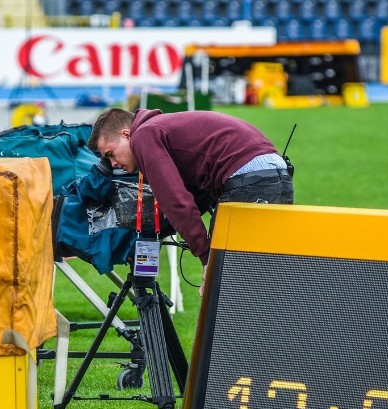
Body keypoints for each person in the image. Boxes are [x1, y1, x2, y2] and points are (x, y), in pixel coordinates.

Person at [88, 108, 294, 294]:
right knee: (264, 282)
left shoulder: (143, 136)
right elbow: (195, 196)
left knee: (226, 289)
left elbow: (176, 201)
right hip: (275, 174)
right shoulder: (163, 126)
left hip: (249, 180)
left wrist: (207, 258)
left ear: (126, 134)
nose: (113, 164)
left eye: (110, 154)